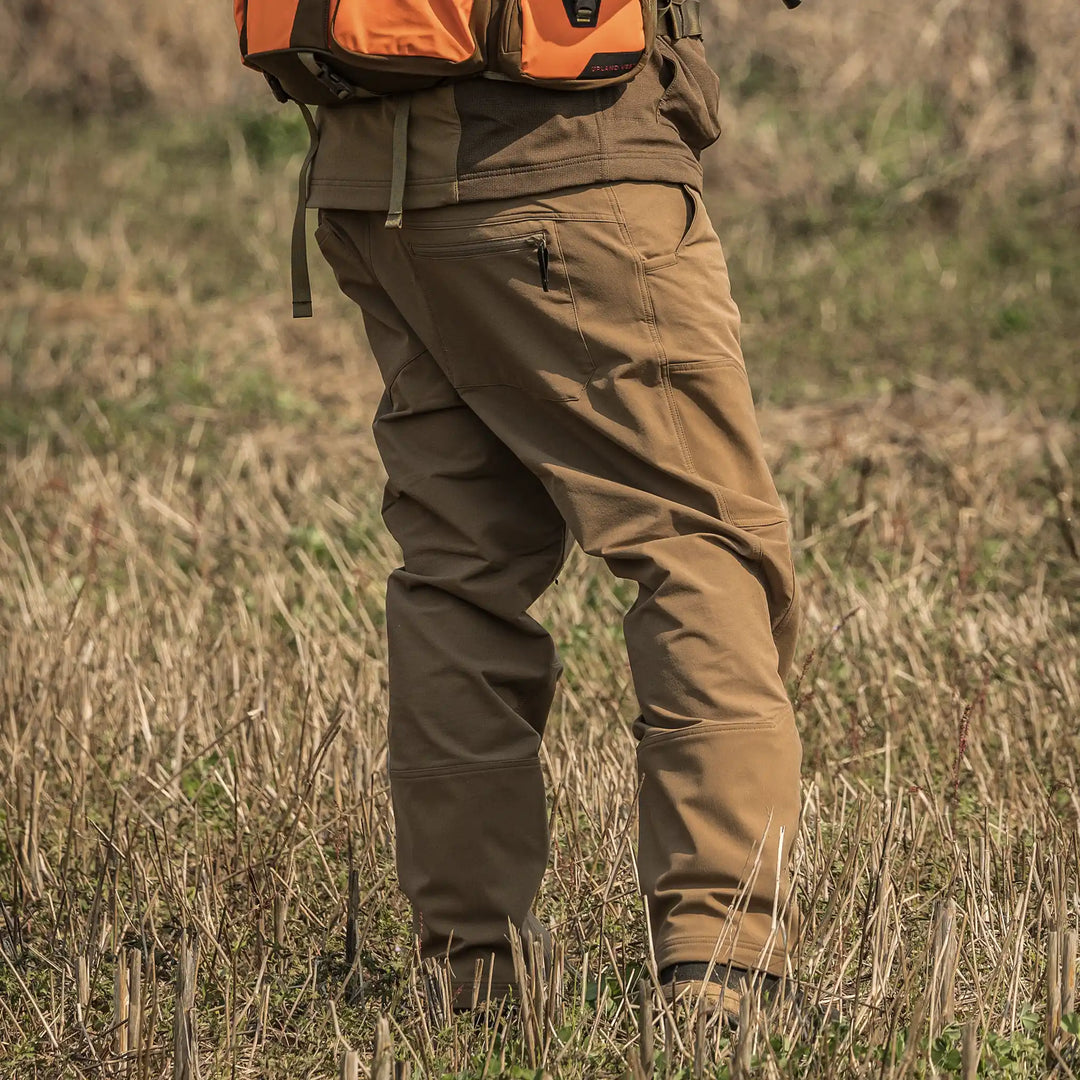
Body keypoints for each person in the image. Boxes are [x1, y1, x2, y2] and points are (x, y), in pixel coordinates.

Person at [305, 0, 803, 1016]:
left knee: (459, 572)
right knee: (698, 545)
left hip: (377, 177)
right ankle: (723, 972)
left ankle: (472, 971)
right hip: (558, 161)